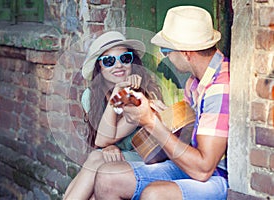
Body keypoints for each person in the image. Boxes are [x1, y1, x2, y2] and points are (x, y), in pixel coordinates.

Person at [93, 6, 230, 200]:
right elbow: (188, 138)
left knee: (154, 195)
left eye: (166, 51)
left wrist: (149, 121)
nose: (165, 58)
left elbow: (203, 169)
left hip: (218, 176)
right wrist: (163, 115)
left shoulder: (219, 87)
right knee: (108, 178)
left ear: (186, 53)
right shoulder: (195, 81)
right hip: (190, 164)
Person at [63, 31, 162, 200]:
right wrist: (107, 148)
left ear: (132, 61)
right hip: (111, 162)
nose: (118, 66)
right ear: (99, 67)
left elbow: (102, 140)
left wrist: (118, 92)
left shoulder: (142, 93)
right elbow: (103, 141)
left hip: (146, 160)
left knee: (96, 157)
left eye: (124, 58)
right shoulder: (90, 96)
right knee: (93, 191)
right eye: (109, 61)